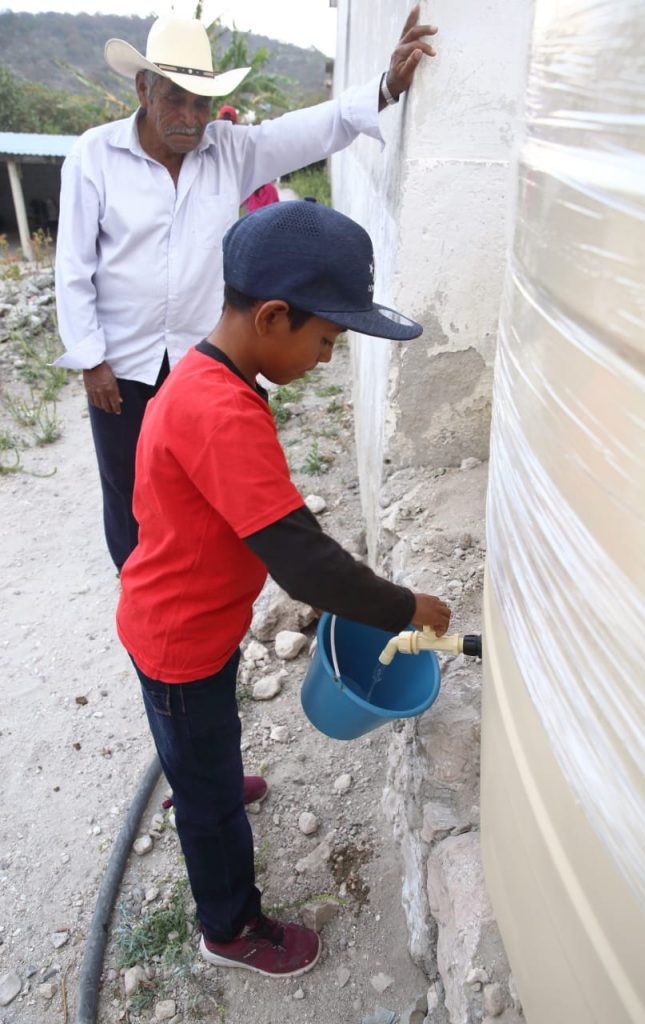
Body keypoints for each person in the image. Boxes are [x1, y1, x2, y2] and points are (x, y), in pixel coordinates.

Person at [115, 199, 452, 977]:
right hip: (180, 640)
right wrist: (406, 608)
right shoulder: (219, 413)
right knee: (208, 800)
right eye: (326, 339)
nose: (328, 358)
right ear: (273, 316)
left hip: (186, 620)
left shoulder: (208, 377)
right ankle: (230, 927)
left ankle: (205, 774)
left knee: (204, 737)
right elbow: (304, 563)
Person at [54, 8, 438, 572]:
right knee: (129, 486)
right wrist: (91, 360)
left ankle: (200, 584)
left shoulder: (228, 151)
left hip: (203, 362)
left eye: (201, 103)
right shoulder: (94, 156)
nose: (191, 118)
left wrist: (385, 87)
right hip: (124, 365)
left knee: (209, 486)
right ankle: (138, 587)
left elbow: (306, 130)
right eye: (176, 99)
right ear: (143, 89)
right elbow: (73, 265)